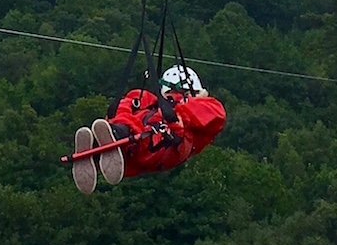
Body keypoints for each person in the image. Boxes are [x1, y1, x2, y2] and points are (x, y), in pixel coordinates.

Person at [71, 64, 226, 194]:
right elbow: (131, 104)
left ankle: (115, 138)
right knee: (139, 99)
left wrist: (177, 114)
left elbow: (214, 113)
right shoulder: (151, 103)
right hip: (139, 148)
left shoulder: (203, 108)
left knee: (148, 129)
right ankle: (113, 135)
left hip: (167, 147)